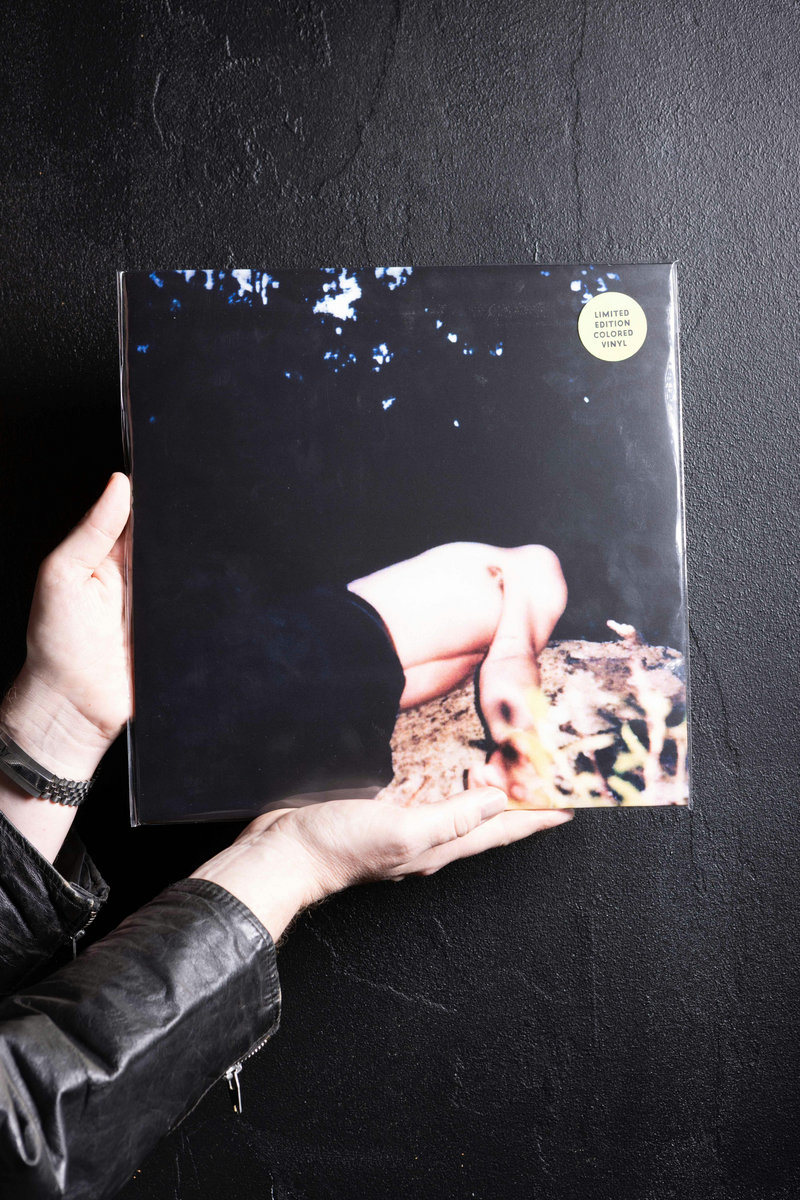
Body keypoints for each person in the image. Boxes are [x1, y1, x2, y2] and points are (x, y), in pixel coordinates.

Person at [0, 474, 572, 1200]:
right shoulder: (526, 571)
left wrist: (60, 722)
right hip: (330, 656)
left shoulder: (475, 575)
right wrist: (295, 859)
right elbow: (511, 672)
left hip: (333, 669)